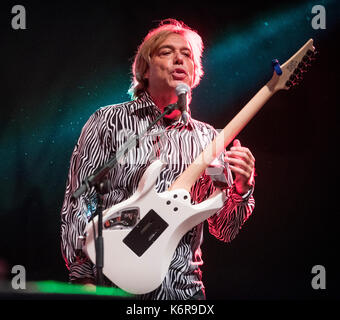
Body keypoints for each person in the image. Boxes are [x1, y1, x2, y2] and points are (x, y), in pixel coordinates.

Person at [60, 18, 255, 300]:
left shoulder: (209, 140)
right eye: (166, 52)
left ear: (194, 71)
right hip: (113, 286)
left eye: (187, 54)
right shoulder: (108, 121)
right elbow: (79, 203)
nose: (179, 58)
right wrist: (83, 280)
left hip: (182, 291)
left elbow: (224, 229)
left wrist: (241, 188)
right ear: (145, 69)